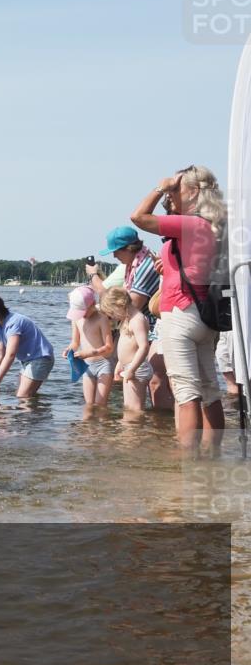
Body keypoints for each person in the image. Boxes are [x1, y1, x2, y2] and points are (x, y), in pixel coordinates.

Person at [131, 165, 227, 456]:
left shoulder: (190, 224)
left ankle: (186, 462)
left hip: (180, 312)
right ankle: (212, 456)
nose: (170, 195)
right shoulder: (216, 226)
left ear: (194, 192)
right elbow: (197, 267)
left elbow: (138, 217)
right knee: (210, 389)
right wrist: (169, 266)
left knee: (186, 392)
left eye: (177, 189)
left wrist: (160, 186)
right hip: (205, 316)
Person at [86, 226, 173, 411]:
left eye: (116, 251)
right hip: (144, 333)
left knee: (157, 380)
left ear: (128, 248)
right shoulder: (134, 265)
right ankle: (160, 423)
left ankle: (164, 420)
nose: (114, 256)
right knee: (151, 385)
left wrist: (93, 275)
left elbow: (132, 303)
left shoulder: (145, 266)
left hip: (154, 330)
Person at [0, 293, 54, 399]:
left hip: (41, 358)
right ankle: (38, 408)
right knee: (22, 396)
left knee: (23, 397)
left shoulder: (14, 323)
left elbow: (10, 355)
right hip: (27, 361)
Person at [99, 287, 152, 411]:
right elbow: (126, 346)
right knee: (128, 407)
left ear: (120, 304)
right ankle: (130, 424)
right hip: (129, 367)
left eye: (112, 313)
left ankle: (135, 424)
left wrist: (132, 369)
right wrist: (120, 364)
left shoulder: (137, 320)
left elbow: (144, 347)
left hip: (137, 369)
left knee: (135, 409)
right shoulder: (127, 319)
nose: (112, 317)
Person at [63, 286, 115, 406]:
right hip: (87, 366)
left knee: (100, 404)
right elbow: (75, 342)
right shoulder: (76, 319)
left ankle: (103, 418)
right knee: (89, 405)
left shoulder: (102, 319)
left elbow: (109, 347)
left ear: (93, 304)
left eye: (83, 311)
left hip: (103, 364)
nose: (82, 315)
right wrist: (69, 350)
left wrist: (90, 353)